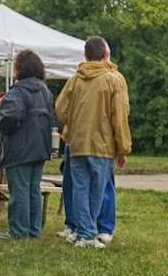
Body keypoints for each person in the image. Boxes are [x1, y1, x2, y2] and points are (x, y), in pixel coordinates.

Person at [55, 37, 131, 249]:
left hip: (77, 144)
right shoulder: (114, 79)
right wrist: (123, 148)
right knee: (97, 191)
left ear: (85, 55)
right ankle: (89, 232)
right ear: (105, 55)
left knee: (80, 189)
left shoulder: (75, 79)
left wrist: (73, 125)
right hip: (103, 146)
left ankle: (83, 232)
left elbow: (60, 109)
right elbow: (120, 117)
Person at [0, 50, 55, 240]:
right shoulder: (45, 91)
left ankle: (19, 231)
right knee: (33, 190)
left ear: (20, 68)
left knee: (19, 190)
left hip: (20, 148)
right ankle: (34, 230)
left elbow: (9, 117)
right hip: (40, 147)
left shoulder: (18, 92)